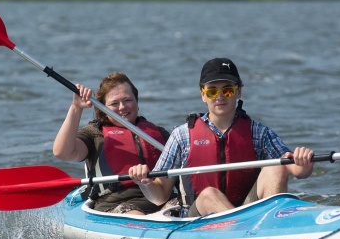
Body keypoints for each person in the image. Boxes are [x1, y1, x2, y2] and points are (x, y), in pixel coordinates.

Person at [128, 57, 314, 217]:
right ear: (203, 94)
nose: (219, 97)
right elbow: (159, 195)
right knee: (210, 194)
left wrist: (303, 162)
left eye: (227, 90)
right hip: (196, 219)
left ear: (238, 91)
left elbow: (297, 170)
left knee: (277, 167)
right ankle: (245, 234)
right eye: (212, 91)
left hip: (246, 213)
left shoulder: (258, 133)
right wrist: (144, 183)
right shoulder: (182, 135)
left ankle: (275, 227)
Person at [53, 72, 175, 215]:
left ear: (137, 102)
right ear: (103, 110)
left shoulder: (159, 133)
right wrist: (76, 107)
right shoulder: (94, 134)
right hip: (116, 203)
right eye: (114, 104)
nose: (122, 107)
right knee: (135, 215)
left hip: (160, 197)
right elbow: (62, 152)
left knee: (183, 208)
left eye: (127, 100)